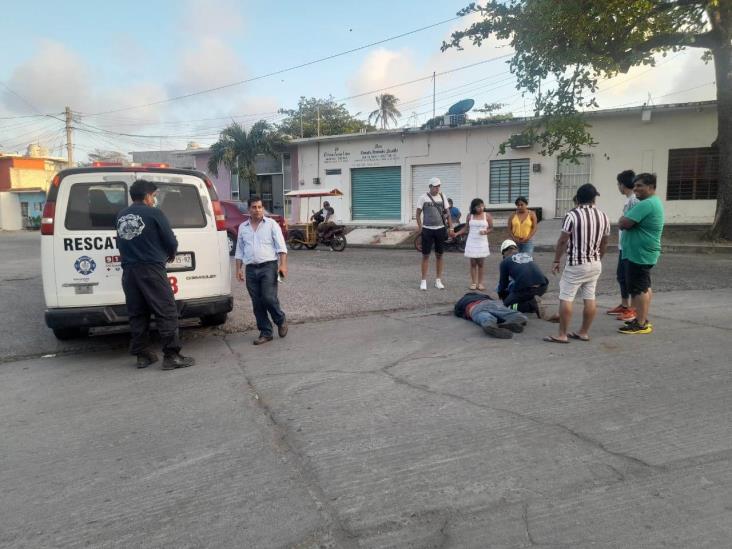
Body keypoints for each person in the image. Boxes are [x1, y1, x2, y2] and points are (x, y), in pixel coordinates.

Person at [116, 179, 194, 370]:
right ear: (147, 196)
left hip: (129, 272)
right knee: (166, 311)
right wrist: (171, 253)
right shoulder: (154, 213)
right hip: (151, 269)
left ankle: (143, 355)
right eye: (154, 196)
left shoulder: (121, 215)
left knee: (137, 313)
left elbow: (120, 243)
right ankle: (171, 355)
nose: (155, 199)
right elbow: (170, 240)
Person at [544, 183, 610, 344]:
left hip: (576, 264)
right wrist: (598, 258)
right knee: (590, 297)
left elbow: (562, 240)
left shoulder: (572, 215)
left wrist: (556, 260)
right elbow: (604, 243)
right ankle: (583, 332)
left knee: (566, 297)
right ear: (594, 198)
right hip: (595, 263)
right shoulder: (604, 216)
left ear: (578, 198)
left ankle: (562, 334)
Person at [235, 196, 289, 345]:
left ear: (263, 208)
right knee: (257, 303)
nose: (257, 210)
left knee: (268, 297)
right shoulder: (243, 227)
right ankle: (265, 332)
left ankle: (280, 319)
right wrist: (238, 269)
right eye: (254, 207)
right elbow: (239, 250)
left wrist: (283, 265)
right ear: (249, 209)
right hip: (251, 269)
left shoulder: (271, 225)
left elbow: (281, 247)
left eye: (260, 207)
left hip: (269, 267)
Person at [617, 173, 664, 335]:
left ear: (651, 187)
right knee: (644, 286)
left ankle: (640, 323)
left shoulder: (646, 204)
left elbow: (624, 223)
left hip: (640, 253)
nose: (635, 189)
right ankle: (642, 318)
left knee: (639, 289)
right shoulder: (651, 202)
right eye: (635, 185)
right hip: (642, 252)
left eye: (640, 186)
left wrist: (623, 219)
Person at [607, 170, 639, 322]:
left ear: (622, 184)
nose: (617, 187)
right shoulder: (629, 200)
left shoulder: (634, 200)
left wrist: (622, 221)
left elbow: (628, 222)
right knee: (621, 277)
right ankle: (625, 305)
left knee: (630, 278)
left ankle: (632, 309)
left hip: (630, 246)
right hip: (623, 246)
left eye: (618, 184)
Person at [416, 177, 453, 290]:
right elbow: (418, 214)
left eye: (438, 186)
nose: (437, 188)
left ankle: (438, 280)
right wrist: (421, 227)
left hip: (440, 229)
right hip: (427, 229)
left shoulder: (442, 196)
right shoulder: (423, 198)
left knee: (439, 255)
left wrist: (451, 228)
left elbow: (448, 213)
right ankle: (423, 281)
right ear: (430, 186)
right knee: (425, 255)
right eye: (435, 186)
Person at [497, 239, 550, 318]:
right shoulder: (527, 256)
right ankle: (533, 301)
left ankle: (531, 305)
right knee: (518, 287)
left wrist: (502, 295)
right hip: (542, 286)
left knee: (504, 308)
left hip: (526, 288)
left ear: (504, 252)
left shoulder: (505, 262)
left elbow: (503, 283)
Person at [454, 292, 528, 339]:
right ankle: (517, 316)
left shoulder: (461, 301)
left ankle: (489, 324)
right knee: (504, 312)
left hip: (473, 308)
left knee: (484, 317)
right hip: (488, 302)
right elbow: (492, 300)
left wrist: (468, 316)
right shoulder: (482, 295)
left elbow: (458, 312)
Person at [455, 198, 493, 290]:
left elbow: (491, 228)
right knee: (472, 263)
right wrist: (456, 233)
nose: (481, 208)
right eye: (478, 206)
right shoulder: (469, 216)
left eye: (482, 206)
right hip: (472, 241)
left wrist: (486, 232)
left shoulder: (487, 216)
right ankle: (473, 283)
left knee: (480, 263)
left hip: (482, 242)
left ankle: (480, 283)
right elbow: (466, 228)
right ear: (473, 207)